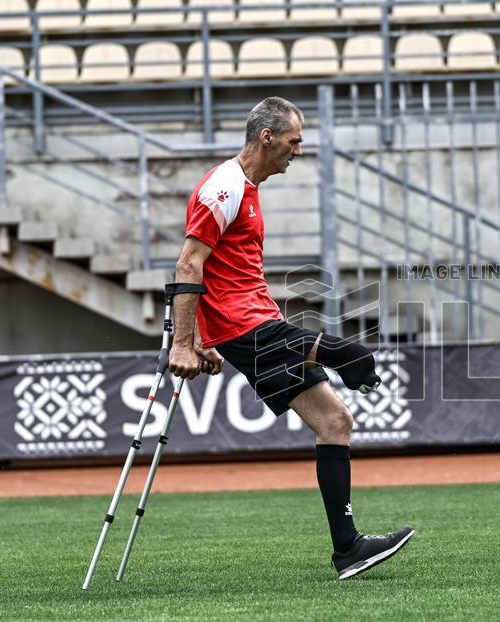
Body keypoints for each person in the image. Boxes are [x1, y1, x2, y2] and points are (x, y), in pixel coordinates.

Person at [168, 97, 415, 578]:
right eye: (294, 141)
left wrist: (200, 338)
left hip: (253, 320)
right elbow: (188, 264)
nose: (298, 151)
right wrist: (183, 342)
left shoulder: (248, 188)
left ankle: (349, 549)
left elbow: (217, 268)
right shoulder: (223, 188)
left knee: (336, 421)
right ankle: (349, 358)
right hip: (244, 326)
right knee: (349, 354)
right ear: (267, 137)